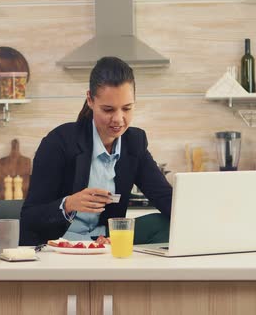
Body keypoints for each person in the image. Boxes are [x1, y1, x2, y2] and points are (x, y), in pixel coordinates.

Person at [19, 57, 172, 246]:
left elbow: (165, 198)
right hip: (60, 243)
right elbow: (29, 217)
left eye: (127, 108)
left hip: (106, 242)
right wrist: (69, 204)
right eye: (108, 109)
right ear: (90, 100)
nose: (118, 119)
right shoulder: (58, 142)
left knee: (165, 223)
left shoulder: (135, 142)